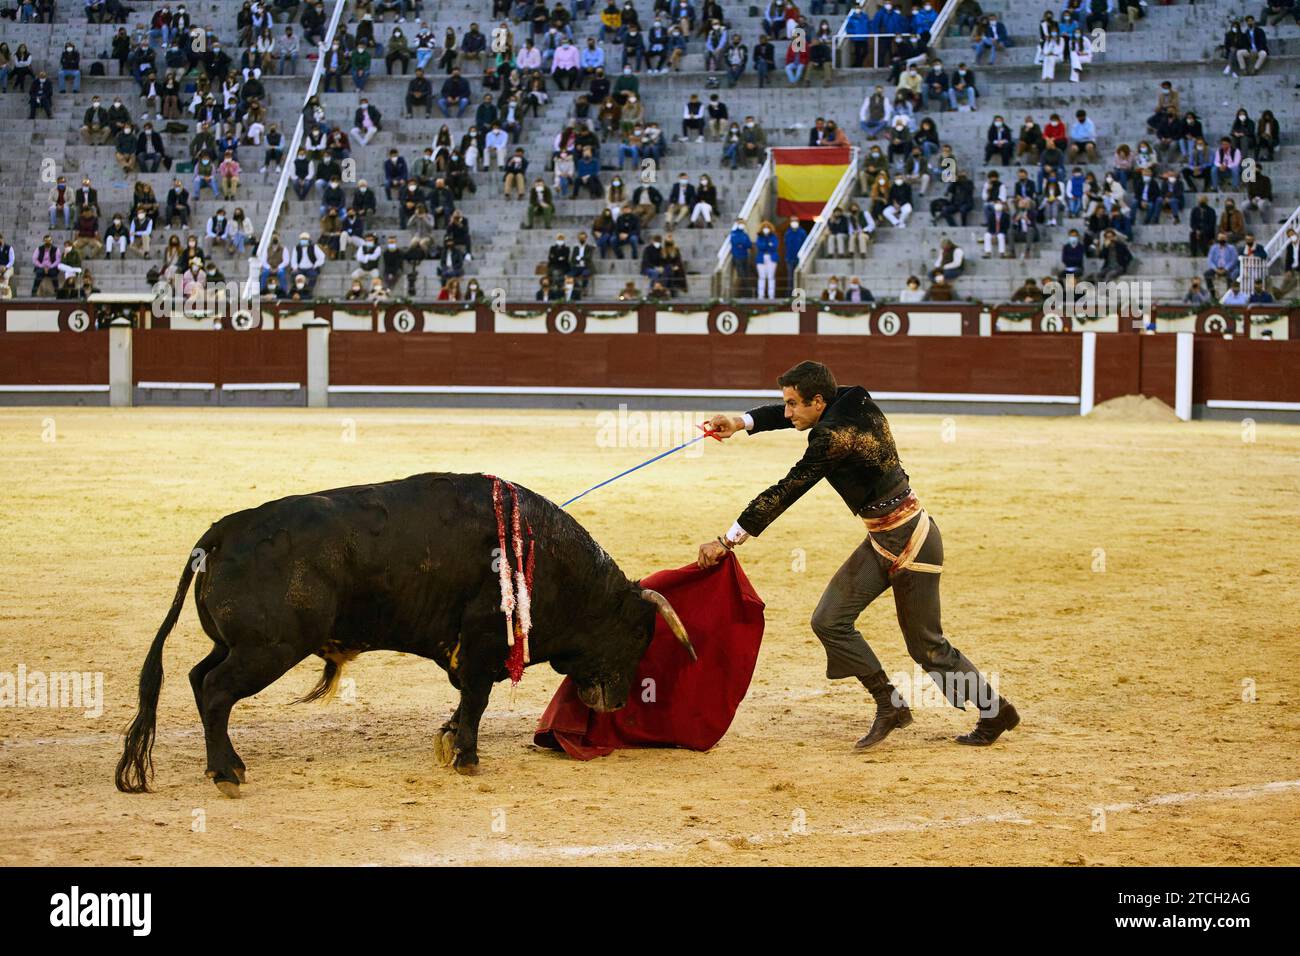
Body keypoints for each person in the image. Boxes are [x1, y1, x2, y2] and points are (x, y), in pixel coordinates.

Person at [696, 362, 1020, 749]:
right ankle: (890, 704)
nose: (787, 413)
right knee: (829, 620)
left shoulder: (832, 438)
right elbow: (796, 421)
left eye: (792, 404)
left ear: (818, 402)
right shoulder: (852, 397)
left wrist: (728, 540)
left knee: (927, 647)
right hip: (884, 538)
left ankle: (995, 710)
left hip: (912, 540)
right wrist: (741, 422)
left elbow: (788, 489)